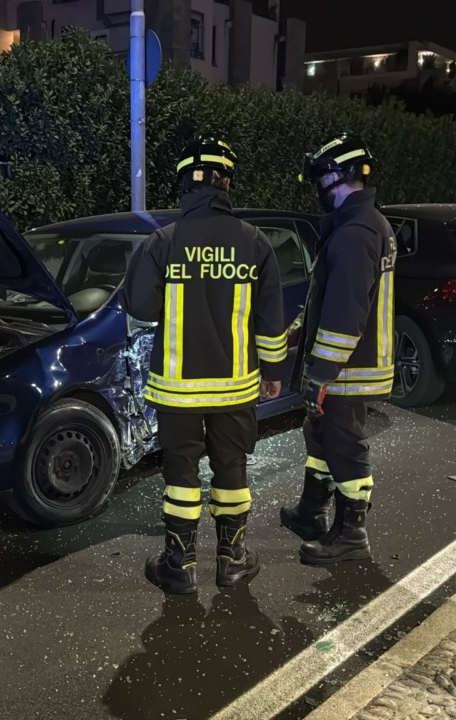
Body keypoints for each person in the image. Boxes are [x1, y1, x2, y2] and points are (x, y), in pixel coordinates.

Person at [121, 137, 289, 594]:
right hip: (235, 387)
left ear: (182, 186)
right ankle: (232, 561)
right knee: (231, 466)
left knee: (181, 471)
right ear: (227, 182)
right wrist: (273, 372)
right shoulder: (255, 243)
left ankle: (180, 565)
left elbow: (139, 307)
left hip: (176, 387)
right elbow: (271, 320)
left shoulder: (163, 242)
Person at [280, 133, 397, 565]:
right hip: (347, 364)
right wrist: (297, 331)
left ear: (339, 175)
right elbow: (326, 299)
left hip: (349, 369)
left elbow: (347, 312)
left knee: (346, 445)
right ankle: (312, 512)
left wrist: (321, 373)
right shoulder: (360, 225)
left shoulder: (356, 231)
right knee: (321, 436)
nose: (320, 186)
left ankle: (351, 536)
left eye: (323, 176)